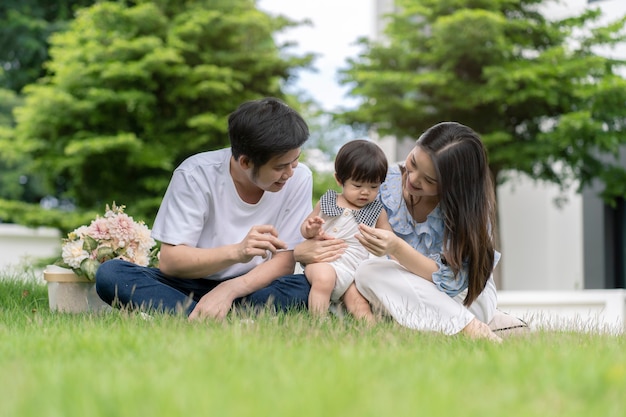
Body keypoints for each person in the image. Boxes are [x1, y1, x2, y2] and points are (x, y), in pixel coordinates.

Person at [95, 97, 317, 320]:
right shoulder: (195, 174)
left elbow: (284, 262)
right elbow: (171, 262)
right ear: (245, 162)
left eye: (295, 161)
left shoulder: (299, 178)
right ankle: (225, 318)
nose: (289, 172)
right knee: (111, 274)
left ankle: (192, 315)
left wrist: (229, 290)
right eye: (280, 167)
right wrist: (237, 252)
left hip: (251, 286)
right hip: (187, 284)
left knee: (305, 285)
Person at [294, 122, 502, 341]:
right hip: (397, 291)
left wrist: (397, 248)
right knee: (366, 274)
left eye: (429, 180)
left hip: (463, 300)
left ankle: (469, 328)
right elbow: (340, 216)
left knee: (371, 273)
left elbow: (452, 282)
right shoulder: (383, 181)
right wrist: (304, 251)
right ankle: (428, 329)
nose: (412, 180)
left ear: (454, 185)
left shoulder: (468, 208)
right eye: (413, 162)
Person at [300, 140, 392, 322]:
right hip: (325, 261)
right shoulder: (328, 201)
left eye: (373, 187)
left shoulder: (376, 210)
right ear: (339, 180)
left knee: (358, 302)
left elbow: (389, 238)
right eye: (357, 186)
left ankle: (372, 331)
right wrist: (311, 229)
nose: (365, 192)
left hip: (354, 271)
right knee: (324, 281)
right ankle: (318, 321)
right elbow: (305, 228)